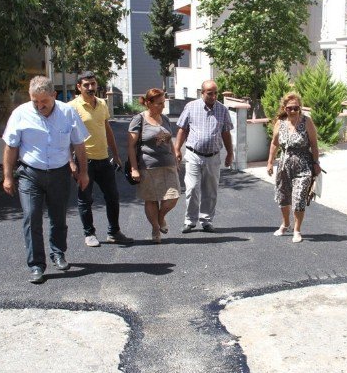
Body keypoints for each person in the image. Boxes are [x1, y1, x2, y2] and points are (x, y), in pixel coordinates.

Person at [2, 76, 90, 284]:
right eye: (35, 101)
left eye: (44, 101)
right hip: (30, 174)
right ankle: (36, 265)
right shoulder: (21, 114)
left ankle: (58, 253)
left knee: (58, 217)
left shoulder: (68, 113)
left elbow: (79, 145)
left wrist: (83, 172)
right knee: (31, 217)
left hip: (60, 173)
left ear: (54, 95)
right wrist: (7, 176)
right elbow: (11, 146)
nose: (40, 106)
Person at [69, 71, 133, 248]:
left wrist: (116, 155)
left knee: (113, 197)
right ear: (79, 87)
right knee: (85, 199)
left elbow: (107, 129)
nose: (90, 88)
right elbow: (65, 136)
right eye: (86, 85)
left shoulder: (103, 104)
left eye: (93, 84)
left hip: (103, 159)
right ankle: (89, 234)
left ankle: (114, 232)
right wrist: (71, 162)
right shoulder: (71, 107)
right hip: (84, 161)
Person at [175, 80, 234, 233]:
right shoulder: (191, 107)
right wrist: (177, 149)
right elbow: (182, 129)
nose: (213, 96)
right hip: (194, 155)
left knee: (210, 190)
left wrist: (230, 153)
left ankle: (206, 220)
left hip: (213, 157)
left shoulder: (222, 110)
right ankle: (190, 220)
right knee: (192, 188)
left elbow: (226, 133)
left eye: (215, 93)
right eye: (210, 93)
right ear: (202, 93)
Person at [266, 92, 321, 243]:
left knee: (298, 199)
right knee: (283, 197)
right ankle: (285, 224)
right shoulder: (280, 123)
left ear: (300, 108)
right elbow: (274, 143)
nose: (293, 111)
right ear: (284, 108)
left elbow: (314, 145)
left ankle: (297, 229)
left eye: (296, 108)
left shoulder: (306, 122)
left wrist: (316, 163)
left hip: (303, 166)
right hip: (284, 166)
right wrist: (270, 162)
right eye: (290, 108)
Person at [128, 89, 180, 243]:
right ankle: (155, 228)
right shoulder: (139, 119)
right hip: (148, 166)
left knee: (173, 196)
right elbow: (131, 146)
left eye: (163, 102)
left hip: (168, 164)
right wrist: (134, 168)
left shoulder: (165, 119)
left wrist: (175, 157)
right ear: (149, 103)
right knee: (151, 199)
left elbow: (169, 140)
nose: (163, 106)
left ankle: (161, 217)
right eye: (159, 103)